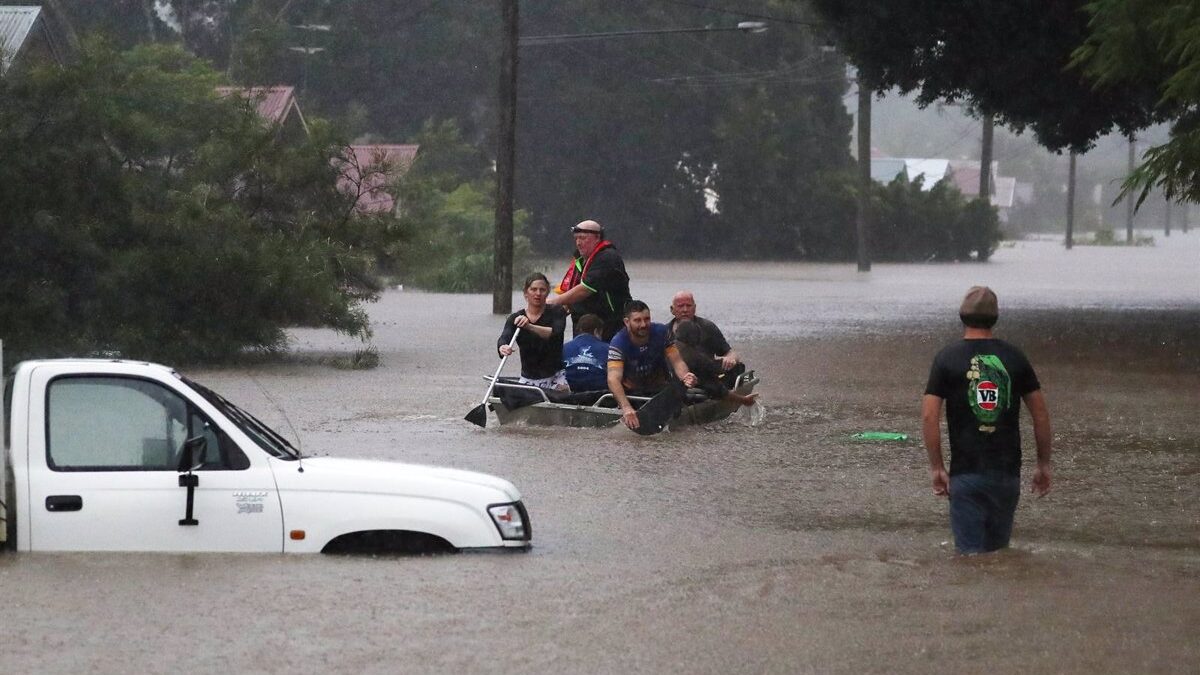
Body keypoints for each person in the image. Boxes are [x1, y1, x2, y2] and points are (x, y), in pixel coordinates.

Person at [922, 286, 1053, 555]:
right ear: (996, 317)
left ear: (961, 315)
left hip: (966, 474)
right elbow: (1040, 414)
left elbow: (929, 416)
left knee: (969, 560)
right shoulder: (1015, 357)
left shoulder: (946, 359)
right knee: (998, 556)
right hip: (1006, 475)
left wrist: (937, 467)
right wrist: (1043, 463)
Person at [607, 300, 697, 431]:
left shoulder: (661, 332)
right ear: (627, 322)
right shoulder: (618, 342)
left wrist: (686, 376)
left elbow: (677, 361)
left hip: (658, 388)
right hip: (631, 391)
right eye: (637, 320)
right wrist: (626, 407)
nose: (643, 324)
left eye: (647, 319)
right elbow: (613, 379)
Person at [546, 219, 632, 341]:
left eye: (582, 238)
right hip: (582, 325)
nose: (578, 243)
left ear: (597, 238)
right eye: (576, 238)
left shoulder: (607, 257)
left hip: (608, 326)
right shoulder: (580, 260)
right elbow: (571, 293)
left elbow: (585, 289)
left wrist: (552, 302)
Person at [498, 272, 569, 391]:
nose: (538, 294)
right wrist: (502, 347)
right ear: (526, 293)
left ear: (547, 293)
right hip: (528, 378)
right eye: (533, 289)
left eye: (542, 290)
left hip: (555, 377)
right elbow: (504, 338)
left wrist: (529, 326)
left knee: (562, 390)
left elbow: (555, 333)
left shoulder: (557, 312)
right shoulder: (515, 318)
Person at [673, 320, 758, 408]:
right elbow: (718, 390)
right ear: (697, 339)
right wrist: (743, 400)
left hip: (670, 392)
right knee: (737, 368)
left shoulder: (667, 349)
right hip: (688, 394)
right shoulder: (697, 359)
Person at [666, 290, 745, 382]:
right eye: (680, 306)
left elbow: (730, 352)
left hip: (706, 374)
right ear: (672, 309)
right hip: (676, 378)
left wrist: (730, 359)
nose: (685, 310)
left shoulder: (707, 327)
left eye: (688, 306)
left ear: (694, 308)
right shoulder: (664, 332)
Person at [562, 313, 609, 393]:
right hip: (599, 395)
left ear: (579, 330)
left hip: (569, 394)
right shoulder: (608, 348)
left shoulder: (564, 347)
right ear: (596, 331)